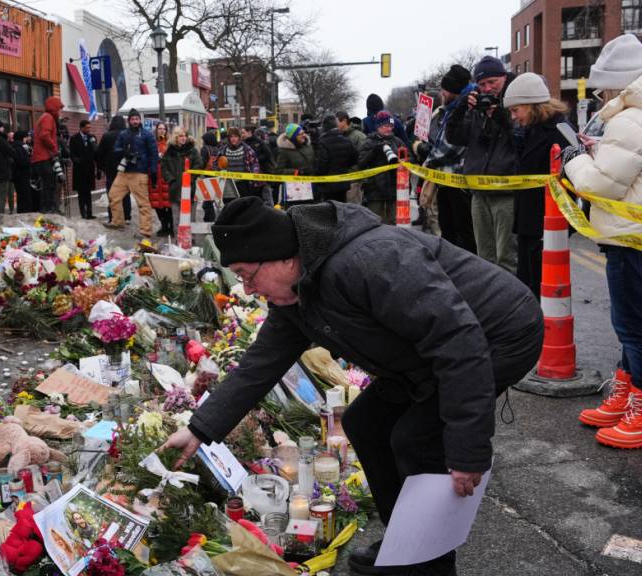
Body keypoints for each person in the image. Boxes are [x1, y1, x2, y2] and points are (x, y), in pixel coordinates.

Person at [160, 197, 543, 576]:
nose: (246, 290)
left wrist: (468, 450)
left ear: (283, 258)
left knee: (417, 439)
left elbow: (457, 342)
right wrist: (199, 430)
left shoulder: (369, 260)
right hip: (426, 352)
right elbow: (259, 364)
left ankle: (429, 565)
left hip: (498, 334)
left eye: (247, 275)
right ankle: (403, 543)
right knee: (365, 423)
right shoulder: (298, 291)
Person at [564, 33, 642, 449]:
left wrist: (576, 161)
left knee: (632, 326)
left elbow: (602, 184)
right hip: (632, 235)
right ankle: (628, 394)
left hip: (630, 239)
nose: (601, 96)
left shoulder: (630, 120)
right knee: (633, 326)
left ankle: (638, 408)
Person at [446, 56, 519, 273]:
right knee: (485, 258)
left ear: (504, 78)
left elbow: (520, 140)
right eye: (482, 84)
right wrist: (461, 107)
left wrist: (500, 116)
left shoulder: (516, 103)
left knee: (506, 257)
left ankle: (510, 294)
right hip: (479, 192)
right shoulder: (477, 109)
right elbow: (454, 136)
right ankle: (491, 293)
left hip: (506, 191)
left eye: (492, 82)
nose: (487, 88)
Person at [504, 73, 567, 300]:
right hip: (527, 220)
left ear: (531, 105)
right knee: (528, 284)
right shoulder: (527, 131)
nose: (513, 117)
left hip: (546, 224)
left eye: (515, 110)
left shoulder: (559, 131)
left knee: (543, 288)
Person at [424, 65, 477, 254]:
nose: (442, 93)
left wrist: (429, 161)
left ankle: (464, 268)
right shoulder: (449, 110)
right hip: (446, 181)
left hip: (459, 183)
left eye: (444, 90)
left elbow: (451, 146)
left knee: (463, 233)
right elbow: (439, 139)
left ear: (453, 91)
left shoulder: (465, 109)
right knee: (448, 230)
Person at [104, 109, 158, 238]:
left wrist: (153, 171)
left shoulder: (147, 134)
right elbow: (115, 149)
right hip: (124, 172)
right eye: (132, 119)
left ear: (140, 120)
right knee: (113, 196)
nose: (135, 121)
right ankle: (117, 221)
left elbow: (154, 154)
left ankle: (145, 231)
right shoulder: (123, 134)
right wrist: (124, 152)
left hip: (139, 172)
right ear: (129, 121)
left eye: (137, 119)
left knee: (143, 203)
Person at [357, 111, 405, 224]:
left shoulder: (397, 142)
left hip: (393, 187)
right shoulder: (368, 142)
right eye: (386, 126)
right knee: (375, 222)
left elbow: (408, 159)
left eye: (391, 126)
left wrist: (401, 160)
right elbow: (361, 164)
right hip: (374, 190)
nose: (389, 129)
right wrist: (374, 152)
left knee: (394, 222)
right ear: (378, 126)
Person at [161, 126, 202, 225]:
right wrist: (171, 180)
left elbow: (198, 165)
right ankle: (177, 235)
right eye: (181, 136)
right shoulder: (169, 152)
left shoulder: (192, 151)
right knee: (177, 219)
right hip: (175, 190)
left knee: (190, 219)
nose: (183, 138)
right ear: (175, 137)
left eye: (185, 136)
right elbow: (164, 168)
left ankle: (191, 235)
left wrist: (190, 179)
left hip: (190, 190)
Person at [31, 97, 66, 214]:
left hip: (41, 157)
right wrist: (54, 149)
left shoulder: (45, 117)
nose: (61, 111)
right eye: (60, 109)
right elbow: (45, 135)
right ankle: (48, 208)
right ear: (54, 108)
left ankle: (48, 208)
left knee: (48, 183)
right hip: (43, 157)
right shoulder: (48, 118)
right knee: (49, 183)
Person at [95, 115, 132, 224]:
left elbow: (98, 154)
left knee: (112, 194)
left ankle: (113, 217)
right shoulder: (128, 135)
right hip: (125, 169)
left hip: (110, 169)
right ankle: (127, 216)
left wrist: (102, 167)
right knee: (125, 194)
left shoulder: (107, 136)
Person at [314, 115, 358, 203]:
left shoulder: (323, 142)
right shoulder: (346, 140)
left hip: (328, 185)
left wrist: (318, 179)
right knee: (341, 207)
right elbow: (355, 158)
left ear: (324, 128)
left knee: (329, 208)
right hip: (343, 183)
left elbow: (322, 165)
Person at [274, 123, 315, 208]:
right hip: (294, 191)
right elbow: (278, 171)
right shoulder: (284, 151)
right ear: (293, 137)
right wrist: (298, 172)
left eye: (303, 132)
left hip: (310, 187)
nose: (304, 135)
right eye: (300, 134)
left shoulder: (308, 146)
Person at [217, 127, 260, 203]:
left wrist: (254, 177)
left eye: (235, 136)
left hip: (243, 183)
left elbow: (254, 164)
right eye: (231, 137)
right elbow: (217, 163)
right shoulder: (224, 150)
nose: (233, 139)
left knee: (244, 204)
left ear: (239, 137)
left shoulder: (246, 149)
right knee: (229, 204)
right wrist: (220, 171)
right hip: (229, 183)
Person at [69, 119, 99, 219]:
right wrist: (77, 160)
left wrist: (98, 168)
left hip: (89, 169)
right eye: (87, 128)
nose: (89, 129)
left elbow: (95, 153)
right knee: (81, 193)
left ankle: (89, 213)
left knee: (88, 192)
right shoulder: (74, 138)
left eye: (90, 127)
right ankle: (83, 213)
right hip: (79, 170)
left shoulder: (92, 138)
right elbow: (72, 154)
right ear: (81, 128)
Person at [149, 122, 174, 236]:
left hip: (166, 177)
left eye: (164, 129)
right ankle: (164, 226)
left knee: (168, 204)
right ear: (156, 130)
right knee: (157, 204)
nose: (162, 131)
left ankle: (171, 227)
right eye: (159, 128)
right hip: (154, 177)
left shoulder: (170, 144)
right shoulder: (152, 143)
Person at [336, 112, 367, 204]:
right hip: (343, 180)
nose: (335, 124)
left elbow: (363, 158)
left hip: (355, 180)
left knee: (354, 208)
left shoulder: (359, 136)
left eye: (337, 121)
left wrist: (350, 171)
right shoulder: (339, 135)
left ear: (344, 121)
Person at [243, 125, 275, 203]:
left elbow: (268, 154)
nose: (242, 135)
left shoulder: (259, 142)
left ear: (249, 132)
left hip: (262, 173)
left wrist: (255, 160)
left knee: (266, 196)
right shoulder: (243, 144)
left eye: (243, 133)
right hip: (250, 176)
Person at [198, 131, 221, 221]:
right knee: (212, 199)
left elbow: (202, 162)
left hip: (207, 176)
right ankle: (211, 218)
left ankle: (209, 219)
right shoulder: (217, 149)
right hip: (216, 175)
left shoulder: (205, 149)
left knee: (207, 201)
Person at [12, 130, 34, 213]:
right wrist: (30, 160)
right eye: (25, 137)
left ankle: (22, 211)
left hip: (19, 174)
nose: (26, 139)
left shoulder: (16, 146)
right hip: (22, 174)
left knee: (22, 195)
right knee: (25, 195)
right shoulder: (19, 147)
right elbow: (22, 161)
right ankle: (25, 212)